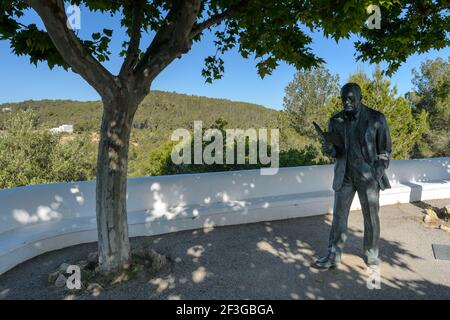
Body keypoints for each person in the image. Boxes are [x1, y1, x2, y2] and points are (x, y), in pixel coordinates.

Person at [315, 82, 392, 269]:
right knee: (339, 217)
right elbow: (336, 152)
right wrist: (329, 149)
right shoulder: (335, 121)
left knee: (371, 217)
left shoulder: (376, 118)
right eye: (343, 99)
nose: (347, 102)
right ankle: (334, 254)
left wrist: (377, 172)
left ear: (360, 99)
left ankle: (371, 253)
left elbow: (385, 149)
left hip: (368, 176)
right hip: (345, 175)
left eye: (351, 99)